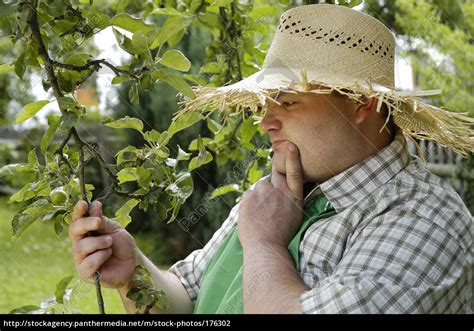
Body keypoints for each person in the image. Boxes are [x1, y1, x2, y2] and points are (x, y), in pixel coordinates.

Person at [69, 4, 473, 314]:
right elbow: (187, 296)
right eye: (267, 103)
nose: (266, 122)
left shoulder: (423, 217)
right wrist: (133, 272)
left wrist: (264, 244)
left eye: (288, 101)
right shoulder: (276, 193)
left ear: (360, 103)